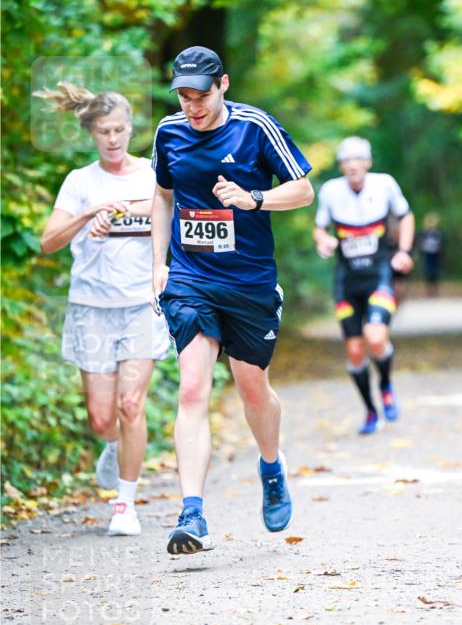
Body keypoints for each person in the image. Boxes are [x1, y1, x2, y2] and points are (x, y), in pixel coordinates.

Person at [151, 46, 313, 556]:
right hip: (191, 277)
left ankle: (271, 466)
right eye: (183, 96)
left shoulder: (254, 127)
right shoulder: (168, 132)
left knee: (251, 389)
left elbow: (304, 190)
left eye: (200, 95)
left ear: (222, 84)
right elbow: (162, 194)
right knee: (192, 389)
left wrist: (255, 198)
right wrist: (159, 262)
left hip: (248, 282)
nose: (191, 106)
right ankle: (192, 514)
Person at [38, 82, 170, 537]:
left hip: (140, 306)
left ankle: (124, 505)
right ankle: (111, 447)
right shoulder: (80, 182)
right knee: (101, 419)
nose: (112, 139)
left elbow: (171, 217)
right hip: (91, 308)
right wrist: (88, 214)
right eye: (103, 132)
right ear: (91, 134)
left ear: (131, 129)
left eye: (119, 130)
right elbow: (48, 241)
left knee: (132, 404)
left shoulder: (153, 176)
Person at [313, 137, 414, 435]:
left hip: (379, 275)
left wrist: (404, 252)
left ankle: (385, 384)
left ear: (368, 163)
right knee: (356, 351)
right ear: (341, 166)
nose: (353, 165)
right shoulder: (331, 191)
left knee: (376, 337)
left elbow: (406, 216)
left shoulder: (384, 185)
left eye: (358, 160)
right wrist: (324, 240)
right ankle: (370, 411)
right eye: (346, 160)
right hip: (346, 281)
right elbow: (320, 227)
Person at [417, 213, 445, 295]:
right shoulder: (423, 233)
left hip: (436, 256)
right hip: (427, 255)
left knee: (436, 273)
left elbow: (442, 244)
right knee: (427, 272)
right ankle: (428, 290)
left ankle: (435, 290)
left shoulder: (438, 234)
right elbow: (419, 243)